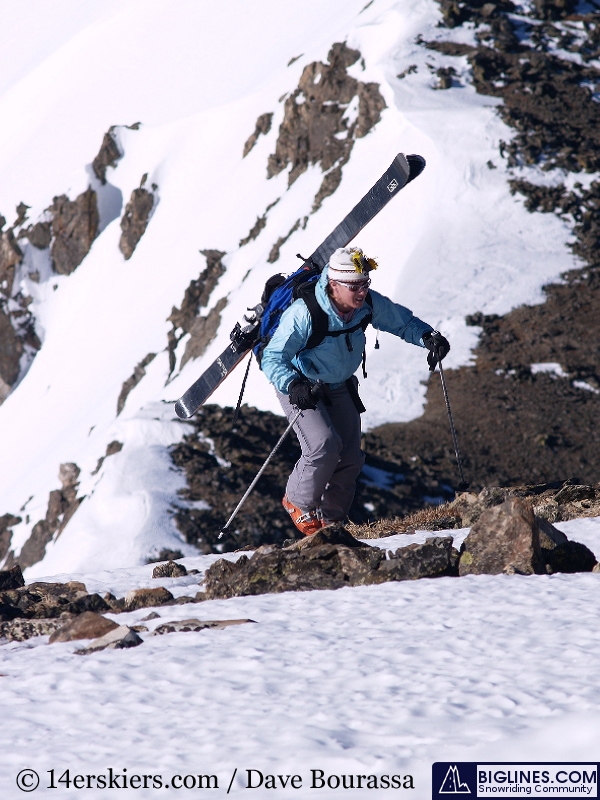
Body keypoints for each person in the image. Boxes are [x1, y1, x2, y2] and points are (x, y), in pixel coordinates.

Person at [260, 246, 450, 536]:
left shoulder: (368, 305)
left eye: (365, 284)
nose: (361, 292)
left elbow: (402, 322)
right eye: (354, 286)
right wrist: (293, 384)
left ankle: (332, 523)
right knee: (323, 445)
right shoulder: (305, 313)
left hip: (339, 384)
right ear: (334, 285)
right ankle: (298, 503)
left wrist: (428, 337)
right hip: (300, 385)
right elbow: (274, 357)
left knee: (350, 456)